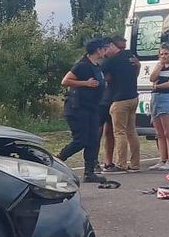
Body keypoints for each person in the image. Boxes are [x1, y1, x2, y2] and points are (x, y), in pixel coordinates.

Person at [57, 37, 111, 183]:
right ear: (97, 50)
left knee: (93, 140)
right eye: (104, 49)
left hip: (92, 108)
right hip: (78, 108)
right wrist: (85, 83)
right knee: (80, 141)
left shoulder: (97, 66)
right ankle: (57, 160)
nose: (106, 51)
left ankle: (89, 172)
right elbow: (65, 81)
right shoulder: (82, 65)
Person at [103, 35, 142, 172]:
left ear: (111, 45)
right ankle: (135, 163)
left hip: (119, 100)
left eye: (105, 49)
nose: (104, 53)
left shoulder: (111, 61)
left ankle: (121, 164)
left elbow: (101, 74)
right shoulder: (129, 55)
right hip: (133, 97)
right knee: (131, 131)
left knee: (119, 132)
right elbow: (135, 70)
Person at [148, 43, 169, 170]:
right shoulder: (160, 65)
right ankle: (162, 159)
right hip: (156, 98)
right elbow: (152, 78)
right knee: (159, 133)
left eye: (166, 54)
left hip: (168, 98)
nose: (164, 56)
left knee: (168, 132)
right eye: (161, 54)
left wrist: (157, 86)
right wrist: (159, 66)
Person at [97, 40, 118, 172]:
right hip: (100, 101)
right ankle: (93, 161)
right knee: (97, 132)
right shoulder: (98, 63)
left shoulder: (114, 61)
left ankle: (108, 161)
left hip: (112, 99)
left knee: (110, 132)